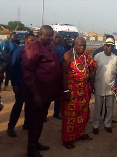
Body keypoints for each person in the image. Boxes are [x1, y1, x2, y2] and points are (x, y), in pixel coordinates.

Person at [21, 25, 61, 157]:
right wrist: (35, 94)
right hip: (37, 94)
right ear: (40, 34)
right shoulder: (33, 48)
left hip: (47, 93)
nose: (50, 38)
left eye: (51, 35)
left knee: (40, 121)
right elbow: (28, 75)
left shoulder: (50, 47)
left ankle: (35, 143)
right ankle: (31, 150)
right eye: (47, 35)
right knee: (34, 121)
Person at [61, 37, 97, 149]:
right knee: (70, 115)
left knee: (83, 114)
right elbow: (63, 74)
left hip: (84, 91)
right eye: (80, 46)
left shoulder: (85, 57)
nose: (82, 48)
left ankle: (80, 134)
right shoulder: (68, 56)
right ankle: (67, 139)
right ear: (74, 45)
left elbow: (94, 65)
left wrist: (91, 74)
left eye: (84, 46)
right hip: (71, 91)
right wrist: (66, 90)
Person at [7, 33, 36, 137]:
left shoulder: (34, 52)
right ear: (25, 40)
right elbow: (12, 68)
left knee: (29, 105)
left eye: (34, 40)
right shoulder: (19, 51)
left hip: (30, 84)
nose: (32, 42)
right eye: (31, 40)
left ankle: (27, 124)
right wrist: (14, 84)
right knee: (18, 105)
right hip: (20, 84)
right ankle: (11, 127)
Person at [92, 38, 117, 134]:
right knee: (98, 107)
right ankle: (95, 125)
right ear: (104, 46)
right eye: (108, 45)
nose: (110, 47)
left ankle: (108, 124)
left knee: (110, 107)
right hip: (99, 85)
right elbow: (93, 72)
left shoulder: (115, 58)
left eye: (111, 45)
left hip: (111, 86)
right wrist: (92, 85)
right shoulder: (97, 56)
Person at [52, 31, 66, 119]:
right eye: (55, 37)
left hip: (59, 74)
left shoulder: (61, 48)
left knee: (58, 95)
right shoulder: (47, 47)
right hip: (49, 75)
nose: (57, 39)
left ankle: (57, 112)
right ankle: (44, 114)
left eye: (58, 37)